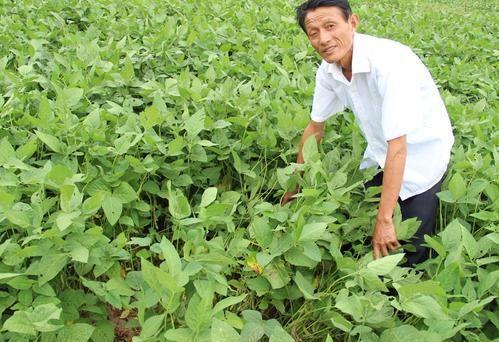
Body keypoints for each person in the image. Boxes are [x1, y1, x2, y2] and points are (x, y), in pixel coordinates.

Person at [281, 0, 454, 266]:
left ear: (353, 22)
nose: (324, 39)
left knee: (409, 249)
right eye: (314, 33)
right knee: (360, 222)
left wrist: (385, 221)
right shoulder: (328, 71)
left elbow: (399, 147)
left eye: (330, 26)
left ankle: (401, 296)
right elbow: (315, 128)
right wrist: (295, 186)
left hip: (422, 152)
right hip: (380, 150)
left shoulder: (389, 64)